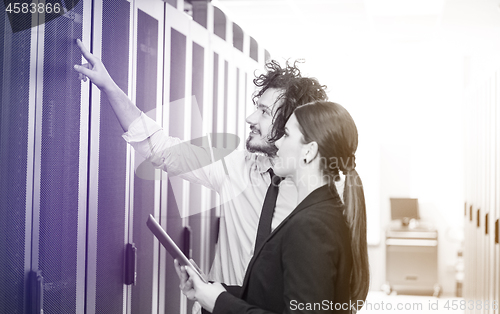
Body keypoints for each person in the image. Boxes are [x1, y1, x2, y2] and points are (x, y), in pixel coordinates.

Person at [72, 39, 329, 285]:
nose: (250, 117)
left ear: (291, 125)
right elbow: (163, 150)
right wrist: (110, 88)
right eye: (256, 107)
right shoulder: (236, 166)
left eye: (264, 112)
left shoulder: (318, 199)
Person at [175, 101, 370, 314]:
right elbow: (274, 298)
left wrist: (218, 303)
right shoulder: (321, 212)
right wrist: (212, 292)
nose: (277, 144)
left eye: (286, 135)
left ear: (309, 151)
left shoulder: (311, 225)